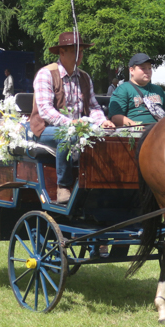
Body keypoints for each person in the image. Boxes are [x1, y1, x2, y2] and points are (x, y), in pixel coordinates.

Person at [29, 31, 114, 204]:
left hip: (78, 128)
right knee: (68, 136)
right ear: (62, 52)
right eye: (75, 51)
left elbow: (93, 106)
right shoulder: (46, 74)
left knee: (108, 136)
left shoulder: (85, 77)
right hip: (46, 129)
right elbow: (45, 110)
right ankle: (63, 185)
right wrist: (71, 124)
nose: (80, 55)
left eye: (81, 51)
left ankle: (101, 184)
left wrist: (103, 121)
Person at [108, 52, 165, 128]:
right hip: (136, 132)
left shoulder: (158, 90)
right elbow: (116, 117)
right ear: (132, 70)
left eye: (149, 68)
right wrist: (137, 127)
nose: (147, 71)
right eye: (143, 68)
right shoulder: (123, 89)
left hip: (161, 129)